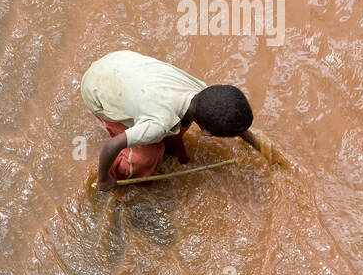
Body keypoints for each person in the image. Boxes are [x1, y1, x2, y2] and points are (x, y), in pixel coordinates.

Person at [80, 49, 259, 191]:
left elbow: (233, 118)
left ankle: (170, 143)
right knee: (147, 158)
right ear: (206, 133)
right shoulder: (159, 124)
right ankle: (120, 174)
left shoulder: (202, 91)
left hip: (119, 62)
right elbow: (110, 146)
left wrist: (260, 149)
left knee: (174, 131)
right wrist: (103, 179)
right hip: (96, 89)